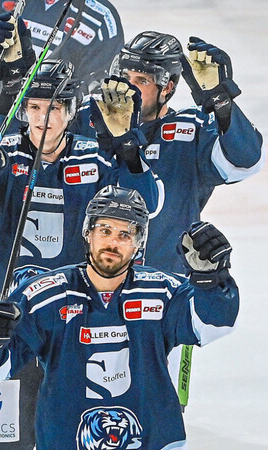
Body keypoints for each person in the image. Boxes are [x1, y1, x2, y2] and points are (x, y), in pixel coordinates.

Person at [0, 57, 158, 448]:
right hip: (10, 318)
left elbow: (146, 206)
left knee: (77, 437)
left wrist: (128, 150)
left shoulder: (95, 157)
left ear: (70, 112)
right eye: (34, 107)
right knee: (3, 442)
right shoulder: (2, 157)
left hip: (75, 320)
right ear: (23, 111)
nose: (43, 118)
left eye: (53, 107)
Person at [0, 186, 239, 449]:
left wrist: (211, 278)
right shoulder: (45, 294)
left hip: (153, 440)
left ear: (138, 244)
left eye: (124, 235)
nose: (113, 243)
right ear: (88, 232)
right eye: (105, 230)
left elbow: (213, 322)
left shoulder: (162, 291)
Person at [72, 31, 264, 398]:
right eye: (124, 76)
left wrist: (221, 102)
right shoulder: (87, 122)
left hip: (165, 302)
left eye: (141, 80)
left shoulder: (190, 131)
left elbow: (246, 160)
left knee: (161, 415)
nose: (128, 88)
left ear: (168, 88)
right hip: (90, 295)